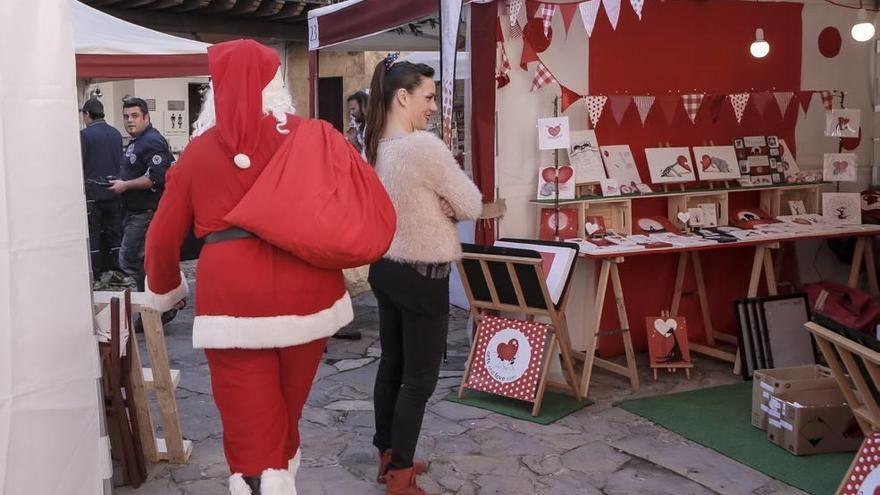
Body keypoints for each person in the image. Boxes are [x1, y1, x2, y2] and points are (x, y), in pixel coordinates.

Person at [143, 40, 395, 495]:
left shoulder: (199, 153)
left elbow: (161, 237)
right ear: (275, 86)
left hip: (233, 303)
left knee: (249, 412)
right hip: (310, 296)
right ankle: (280, 473)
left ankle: (263, 480)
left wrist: (165, 288)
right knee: (286, 405)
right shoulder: (310, 134)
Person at [364, 55, 482, 494]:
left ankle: (387, 455)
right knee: (420, 378)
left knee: (391, 365)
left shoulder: (373, 142)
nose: (434, 106)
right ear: (403, 96)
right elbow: (470, 203)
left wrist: (437, 203)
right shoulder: (423, 147)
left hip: (386, 267)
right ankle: (400, 475)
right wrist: (444, 206)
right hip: (421, 274)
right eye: (429, 97)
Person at [108, 97, 174, 293]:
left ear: (146, 117)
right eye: (126, 116)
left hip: (145, 212)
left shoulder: (152, 141)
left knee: (129, 260)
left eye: (135, 116)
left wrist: (125, 185)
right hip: (134, 211)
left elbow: (156, 177)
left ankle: (150, 304)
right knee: (142, 260)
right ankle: (155, 303)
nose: (129, 120)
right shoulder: (138, 141)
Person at [79, 97, 124, 286]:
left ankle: (96, 276)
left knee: (94, 235)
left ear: (87, 114)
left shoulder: (85, 135)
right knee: (115, 234)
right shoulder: (116, 133)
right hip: (114, 191)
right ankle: (119, 273)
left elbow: (80, 163)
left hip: (93, 193)